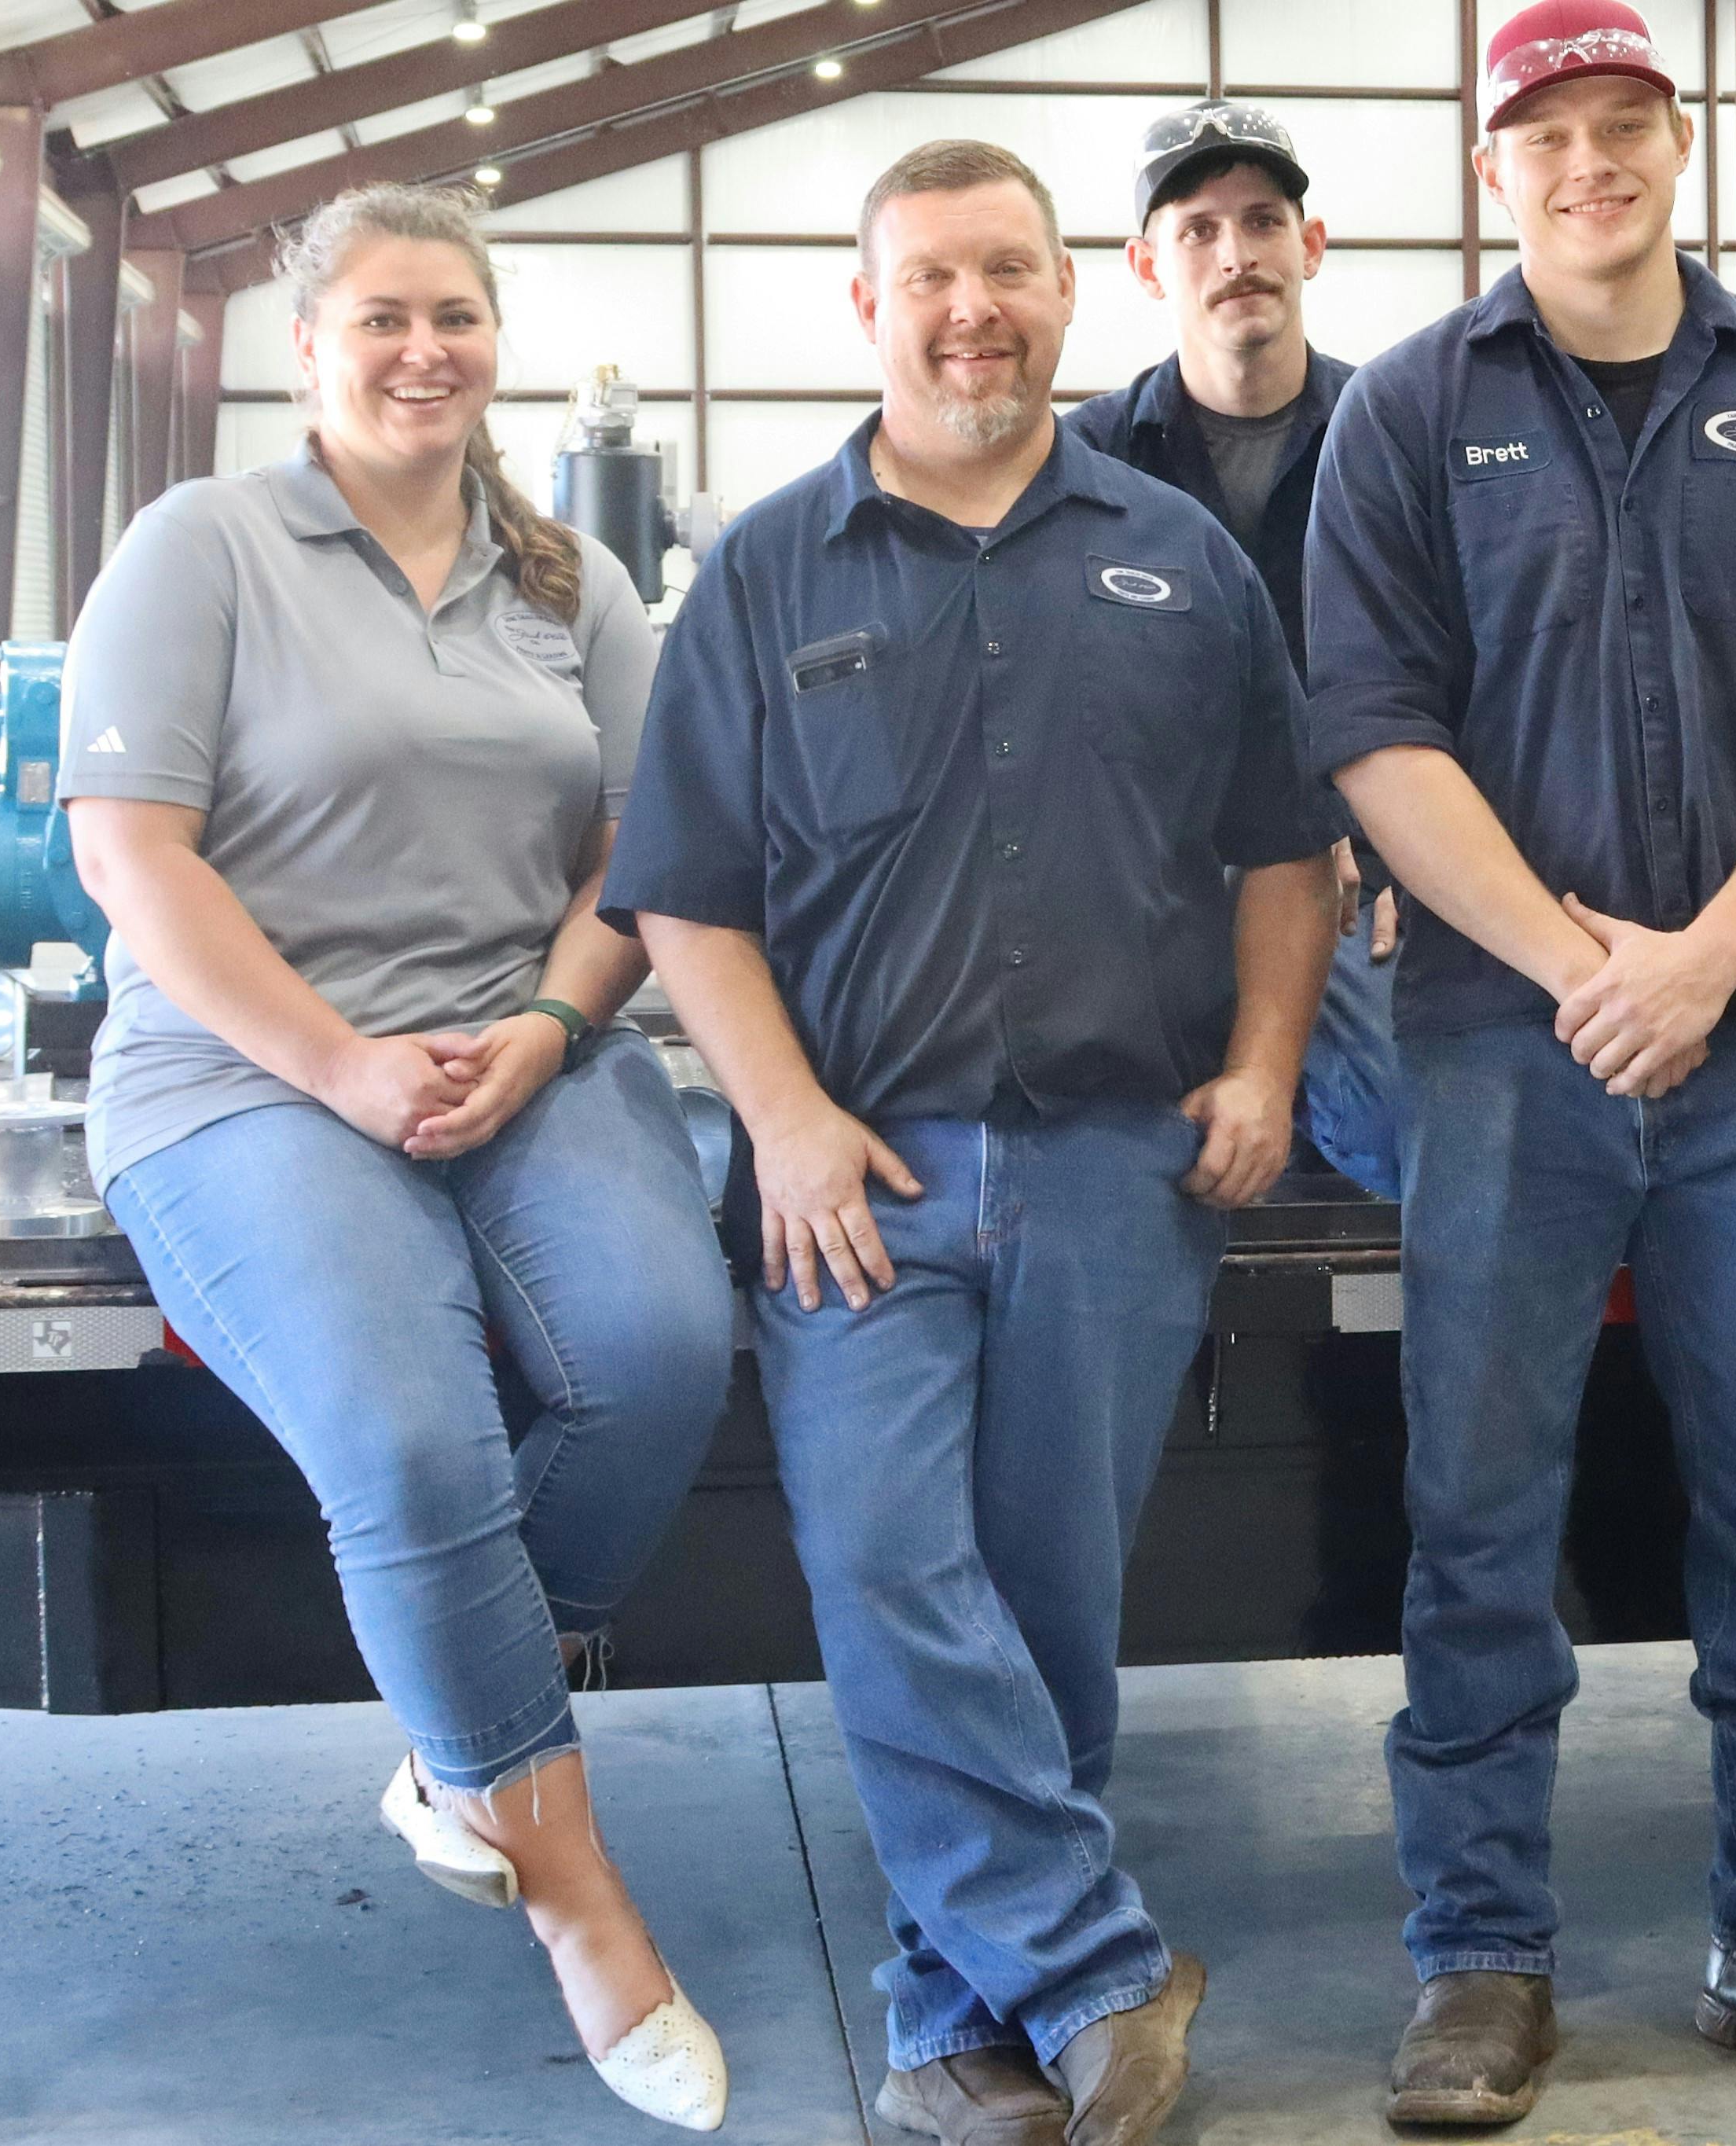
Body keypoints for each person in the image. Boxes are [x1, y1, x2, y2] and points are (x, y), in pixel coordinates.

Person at [605, 138, 1338, 2146]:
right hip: (863, 1174)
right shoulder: (768, 568)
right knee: (885, 1568)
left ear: (1066, 291)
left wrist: (1270, 1066)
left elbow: (1291, 846)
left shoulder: (1179, 560)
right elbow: (687, 891)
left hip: (1116, 1168)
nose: (971, 310)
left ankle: (954, 2015)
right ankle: (1101, 1969)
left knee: (1044, 1609)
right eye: (929, 276)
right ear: (866, 306)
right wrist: (786, 1123)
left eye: (1005, 269)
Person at [1301, 1, 1736, 2124]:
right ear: (1495, 171)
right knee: (1479, 1515)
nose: (1588, 161)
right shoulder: (1404, 412)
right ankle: (1477, 1957)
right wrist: (1587, 966)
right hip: (1495, 1040)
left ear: (1679, 143)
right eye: (1546, 132)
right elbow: (1377, 736)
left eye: (1622, 122)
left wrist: (1710, 955)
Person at [57, 182, 736, 2132]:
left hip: (532, 1050)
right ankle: (580, 1898)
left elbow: (645, 855)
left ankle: (460, 1748)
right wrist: (341, 1068)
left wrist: (542, 1030)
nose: (423, 352)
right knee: (418, 1440)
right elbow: (133, 857)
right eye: (382, 321)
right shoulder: (202, 549)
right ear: (309, 350)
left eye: (455, 317)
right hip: (249, 1069)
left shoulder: (568, 587)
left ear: (495, 341)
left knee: (663, 1354)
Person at [1065, 97, 1405, 1199]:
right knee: (1120, 1155)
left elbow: (1454, 675)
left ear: (1309, 245)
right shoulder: (1082, 466)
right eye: (1197, 230)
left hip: (1355, 864)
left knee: (1403, 1135)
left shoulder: (1396, 438)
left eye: (1262, 222)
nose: (1235, 254)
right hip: (1150, 878)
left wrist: (1398, 853)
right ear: (1146, 265)